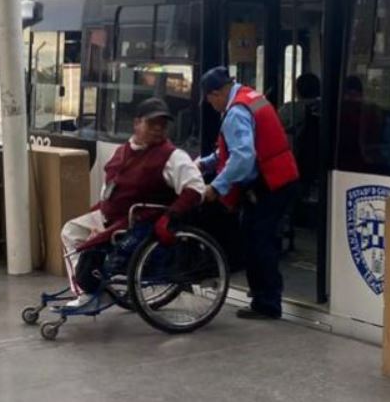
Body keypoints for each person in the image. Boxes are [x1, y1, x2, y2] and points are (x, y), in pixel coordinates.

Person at [60, 97, 205, 307]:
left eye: (163, 125)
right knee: (70, 231)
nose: (158, 129)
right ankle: (89, 289)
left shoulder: (172, 156)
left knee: (86, 245)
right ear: (137, 123)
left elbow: (196, 189)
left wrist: (169, 216)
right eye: (152, 123)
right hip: (110, 215)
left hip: (135, 222)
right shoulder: (123, 151)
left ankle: (88, 292)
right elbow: (110, 188)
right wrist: (99, 210)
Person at [198, 66, 299, 319]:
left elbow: (243, 157)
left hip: (270, 183)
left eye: (210, 100)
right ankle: (263, 295)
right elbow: (234, 148)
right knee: (256, 235)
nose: (211, 105)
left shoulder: (235, 112)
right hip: (280, 177)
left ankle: (267, 304)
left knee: (259, 241)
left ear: (217, 93)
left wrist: (216, 186)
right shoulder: (250, 98)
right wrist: (205, 163)